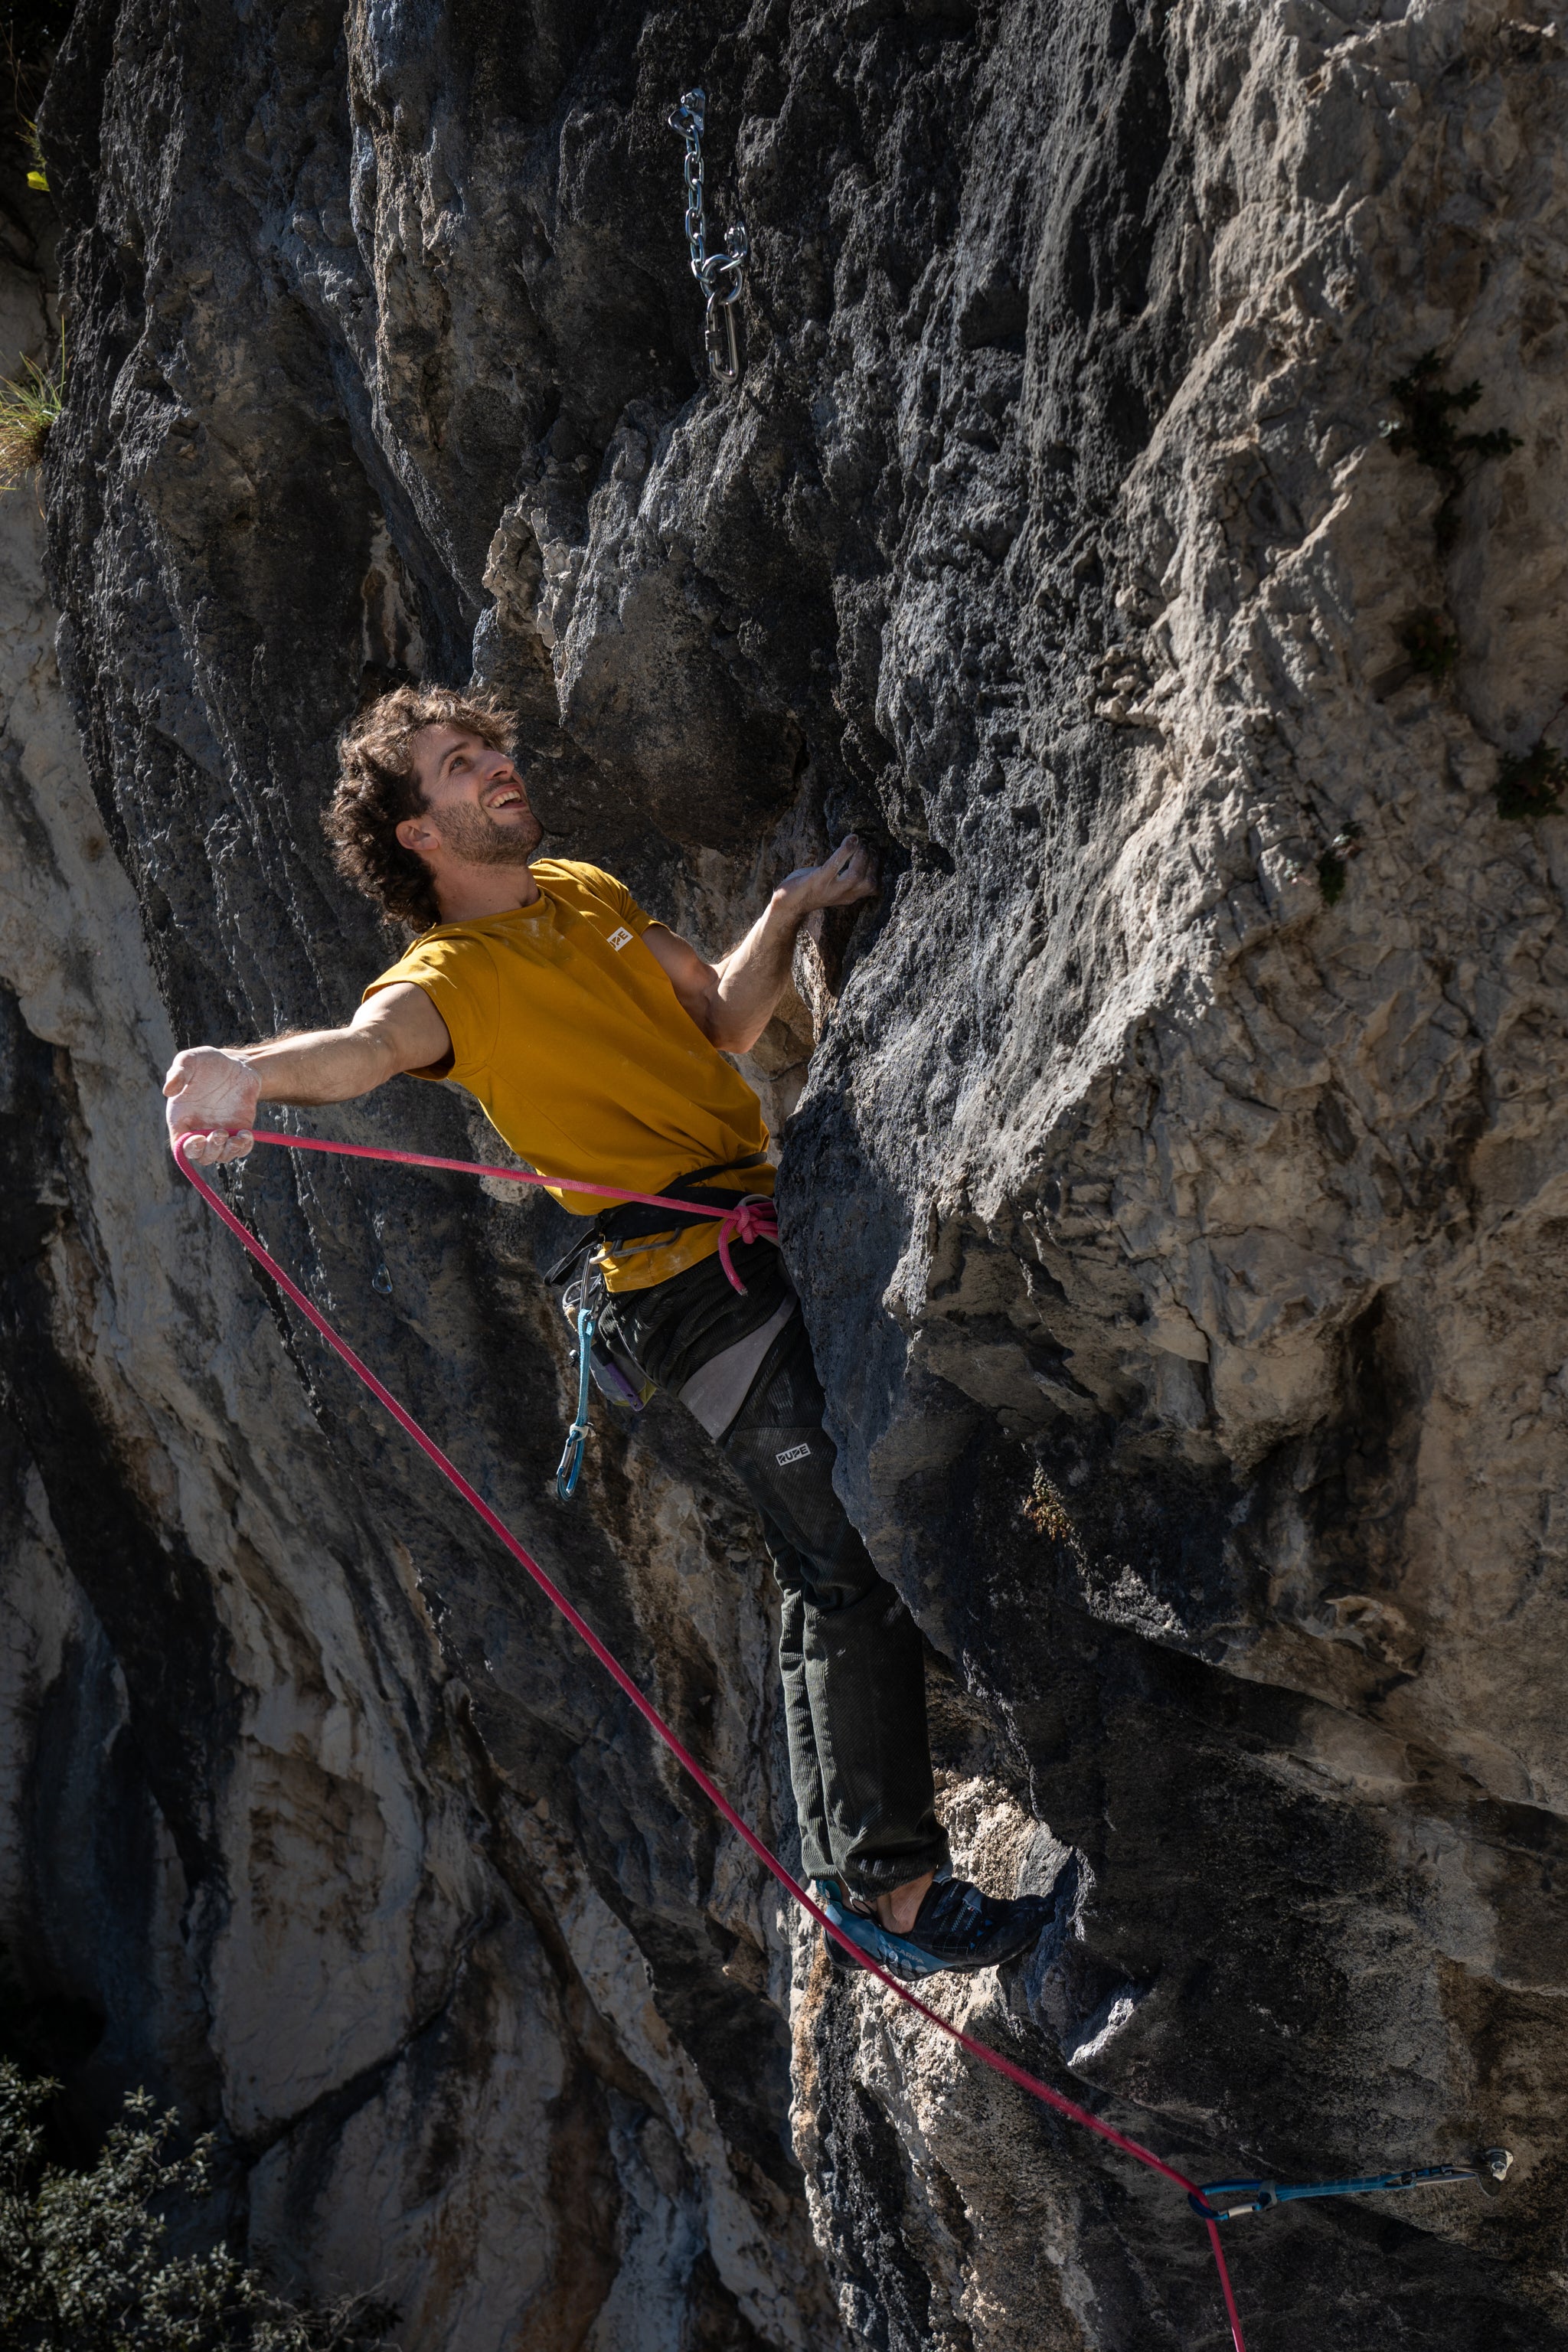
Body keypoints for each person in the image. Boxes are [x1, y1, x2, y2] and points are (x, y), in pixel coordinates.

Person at [163, 685, 1050, 1979]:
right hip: (684, 1287)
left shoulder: (581, 889)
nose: (499, 771)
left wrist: (787, 911)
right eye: (462, 768)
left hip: (768, 1219)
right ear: (418, 832)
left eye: (494, 751)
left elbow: (718, 1025)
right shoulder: (444, 980)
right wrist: (249, 1074)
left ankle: (874, 1874)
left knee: (850, 1540)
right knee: (840, 1550)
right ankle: (889, 1894)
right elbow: (361, 1052)